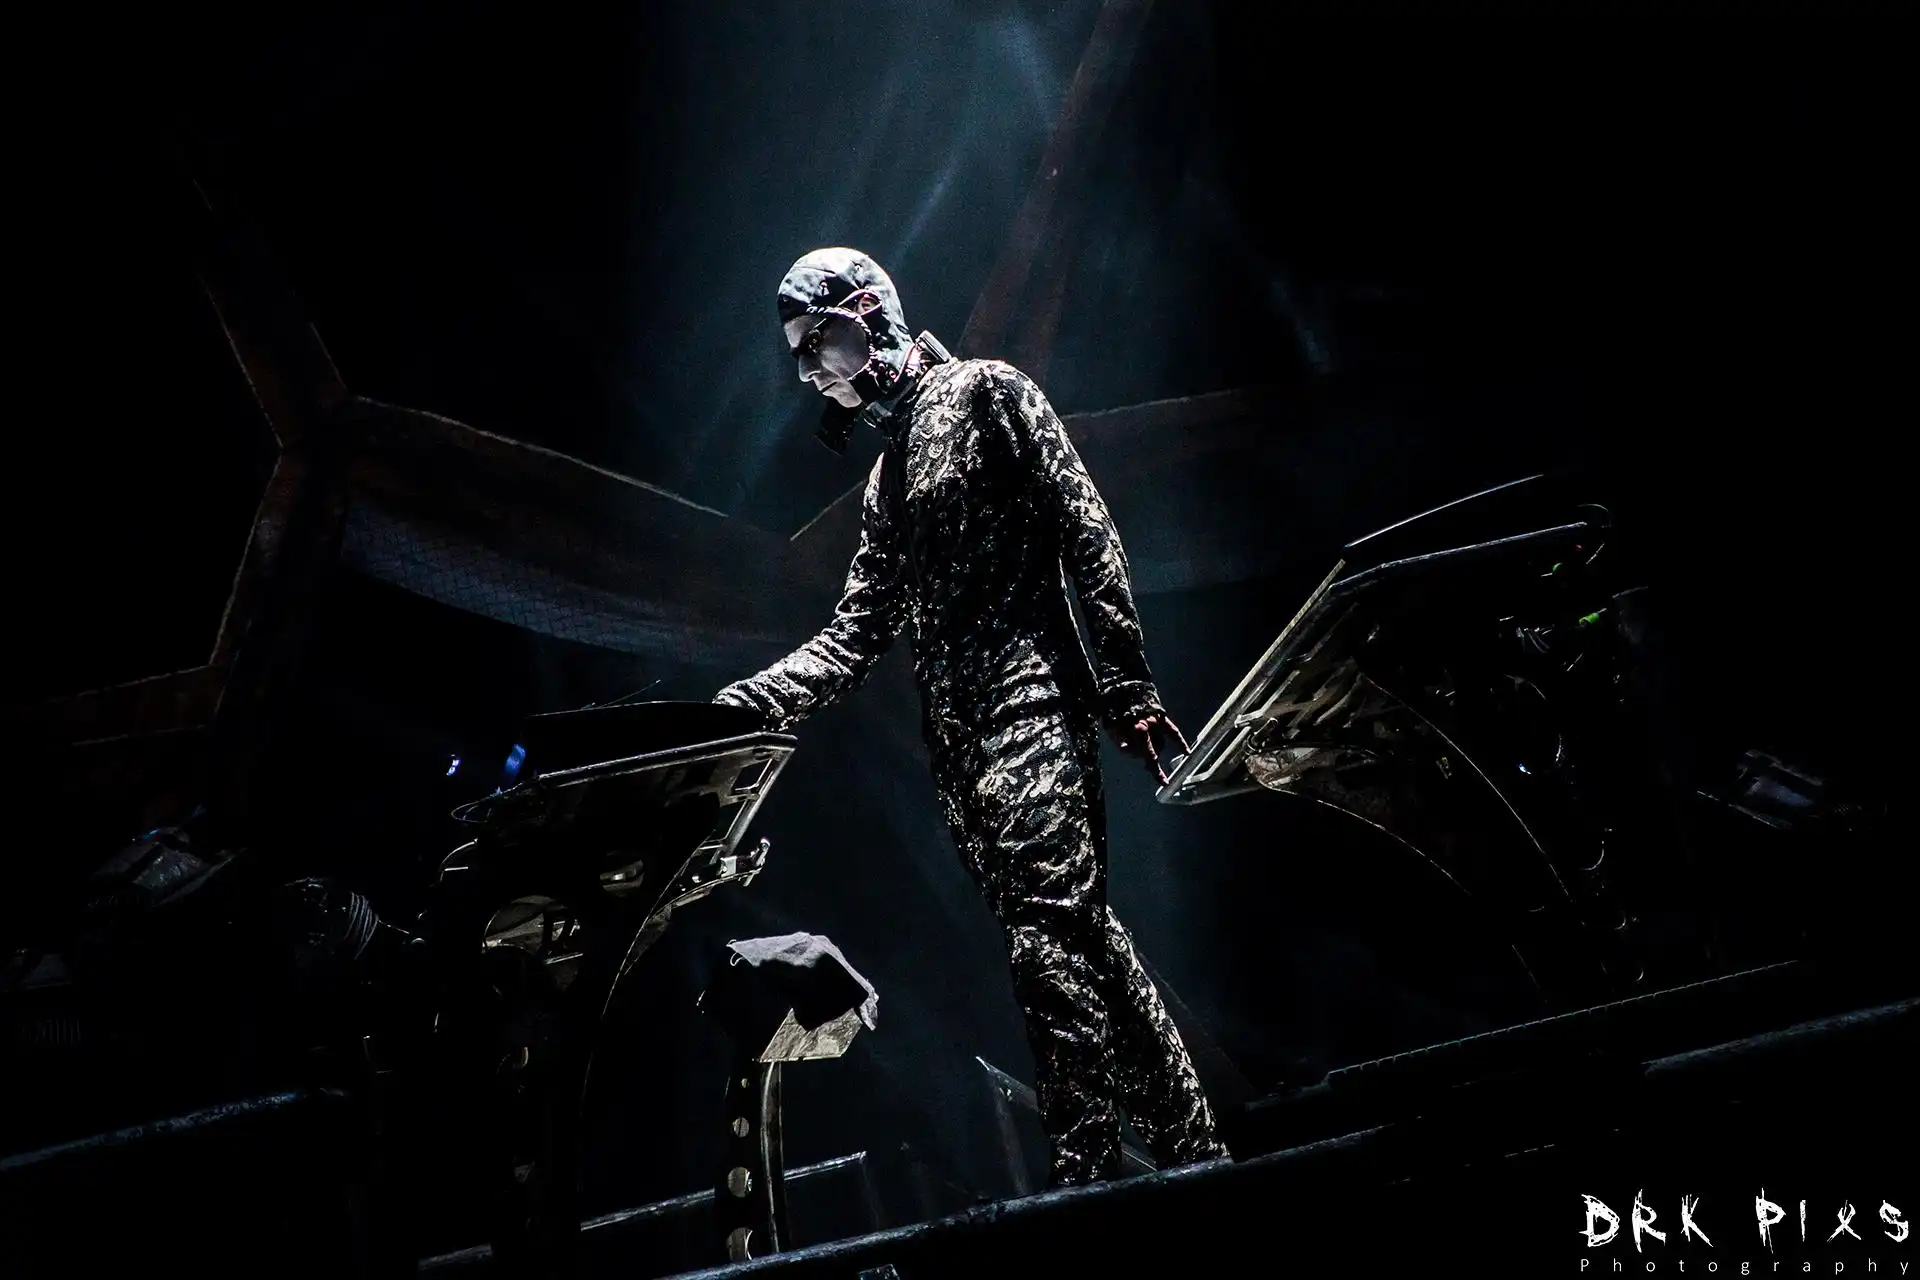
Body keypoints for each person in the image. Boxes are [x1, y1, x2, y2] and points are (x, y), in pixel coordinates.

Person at [714, 247, 1227, 1186]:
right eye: (796, 357)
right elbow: (854, 635)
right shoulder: (885, 485)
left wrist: (1129, 688)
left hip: (1031, 711)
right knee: (1081, 938)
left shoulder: (989, 392)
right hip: (962, 759)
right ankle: (1199, 1156)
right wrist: (747, 702)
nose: (808, 374)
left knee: (1047, 942)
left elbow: (1086, 527)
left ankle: (1085, 1177)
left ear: (864, 312)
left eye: (813, 344)